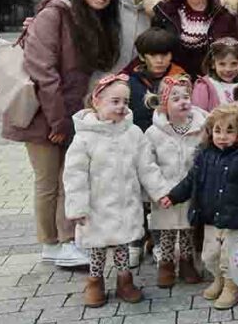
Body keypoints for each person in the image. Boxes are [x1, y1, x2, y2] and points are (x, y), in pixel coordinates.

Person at [2, 0, 122, 269]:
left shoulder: (87, 21)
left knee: (66, 179)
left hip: (66, 115)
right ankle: (50, 244)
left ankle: (66, 239)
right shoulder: (54, 14)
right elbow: (44, 71)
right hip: (41, 114)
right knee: (48, 182)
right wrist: (58, 122)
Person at [63, 75, 171, 308]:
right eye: (115, 101)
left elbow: (146, 167)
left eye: (126, 101)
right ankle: (95, 281)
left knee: (122, 246)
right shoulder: (84, 138)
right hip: (96, 207)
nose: (122, 107)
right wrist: (77, 207)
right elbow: (74, 176)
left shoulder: (132, 134)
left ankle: (125, 280)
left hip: (125, 204)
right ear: (97, 101)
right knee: (97, 249)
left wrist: (160, 192)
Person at [161, 104, 238, 310]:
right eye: (218, 130)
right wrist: (174, 196)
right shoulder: (205, 154)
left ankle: (232, 286)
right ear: (210, 132)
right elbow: (191, 180)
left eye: (230, 131)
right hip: (210, 217)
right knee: (209, 256)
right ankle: (217, 279)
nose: (222, 136)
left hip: (236, 219)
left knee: (230, 256)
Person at [144, 75, 205, 289]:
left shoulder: (200, 129)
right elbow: (147, 165)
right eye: (176, 98)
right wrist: (159, 191)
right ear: (164, 104)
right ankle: (166, 264)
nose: (183, 102)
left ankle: (187, 262)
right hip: (166, 193)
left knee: (188, 229)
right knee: (167, 230)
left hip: (190, 192)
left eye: (186, 96)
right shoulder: (153, 133)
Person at [151, 0, 238, 78]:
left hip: (212, 87)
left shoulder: (226, 16)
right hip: (174, 87)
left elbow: (232, 59)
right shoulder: (165, 12)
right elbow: (154, 52)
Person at [126, 27, 187, 132]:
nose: (159, 60)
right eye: (153, 55)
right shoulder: (130, 82)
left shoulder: (182, 81)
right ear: (141, 56)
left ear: (171, 55)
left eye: (164, 55)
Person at [192, 38, 238, 111]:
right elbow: (198, 115)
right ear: (213, 64)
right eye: (222, 64)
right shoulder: (204, 87)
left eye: (234, 64)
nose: (228, 69)